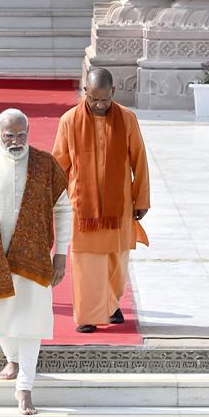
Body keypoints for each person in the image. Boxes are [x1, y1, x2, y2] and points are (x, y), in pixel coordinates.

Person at [0, 109, 71, 416]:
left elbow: (63, 209)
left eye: (21, 135)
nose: (16, 141)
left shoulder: (45, 165)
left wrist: (61, 253)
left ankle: (25, 387)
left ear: (28, 133)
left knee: (32, 323)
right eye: (9, 136)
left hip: (34, 258)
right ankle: (13, 358)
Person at [52, 67, 150, 333]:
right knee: (86, 263)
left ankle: (110, 304)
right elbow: (58, 165)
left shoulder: (127, 119)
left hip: (120, 205)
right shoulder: (69, 120)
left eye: (104, 99)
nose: (98, 105)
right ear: (85, 91)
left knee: (116, 261)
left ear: (113, 92)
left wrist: (141, 198)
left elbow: (139, 160)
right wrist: (52, 202)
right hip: (82, 207)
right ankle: (87, 315)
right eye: (93, 98)